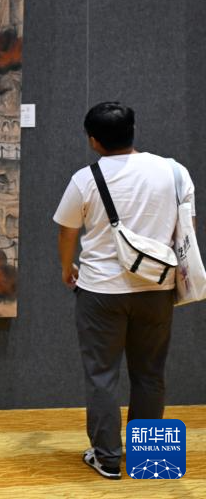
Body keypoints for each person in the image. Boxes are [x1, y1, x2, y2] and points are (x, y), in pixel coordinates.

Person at [53, 101, 195, 480]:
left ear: (93, 140)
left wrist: (67, 269)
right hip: (157, 288)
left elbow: (67, 231)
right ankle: (149, 459)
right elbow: (188, 229)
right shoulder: (174, 172)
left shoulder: (86, 179)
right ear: (134, 130)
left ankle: (107, 458)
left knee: (102, 375)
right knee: (150, 373)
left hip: (100, 290)